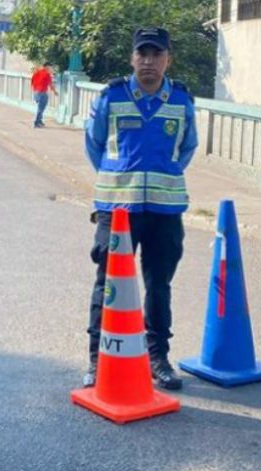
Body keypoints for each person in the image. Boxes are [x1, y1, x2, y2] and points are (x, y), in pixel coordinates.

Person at [82, 27, 198, 391]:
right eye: (142, 54)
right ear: (132, 58)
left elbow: (188, 147)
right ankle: (97, 360)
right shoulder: (112, 96)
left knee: (159, 285)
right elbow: (94, 144)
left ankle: (157, 357)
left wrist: (167, 171)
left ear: (168, 59)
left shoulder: (181, 100)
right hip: (117, 210)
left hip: (164, 209)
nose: (148, 61)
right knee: (108, 285)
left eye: (156, 54)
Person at [31, 62, 58, 128]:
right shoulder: (47, 74)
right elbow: (51, 85)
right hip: (42, 92)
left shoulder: (37, 72)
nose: (51, 69)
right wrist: (55, 92)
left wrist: (35, 90)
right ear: (47, 67)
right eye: (51, 67)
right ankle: (37, 122)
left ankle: (39, 121)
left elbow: (32, 81)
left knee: (40, 107)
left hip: (36, 92)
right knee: (41, 108)